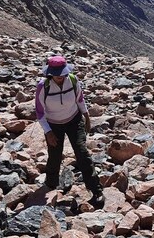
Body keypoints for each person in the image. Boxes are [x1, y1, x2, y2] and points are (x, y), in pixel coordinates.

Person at [35, 55, 104, 208]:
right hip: (53, 125)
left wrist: (86, 116)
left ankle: (96, 190)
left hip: (74, 120)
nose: (60, 77)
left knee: (82, 152)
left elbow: (80, 99)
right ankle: (51, 185)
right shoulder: (43, 86)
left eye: (62, 73)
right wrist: (48, 132)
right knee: (54, 155)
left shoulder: (72, 80)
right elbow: (39, 112)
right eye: (56, 74)